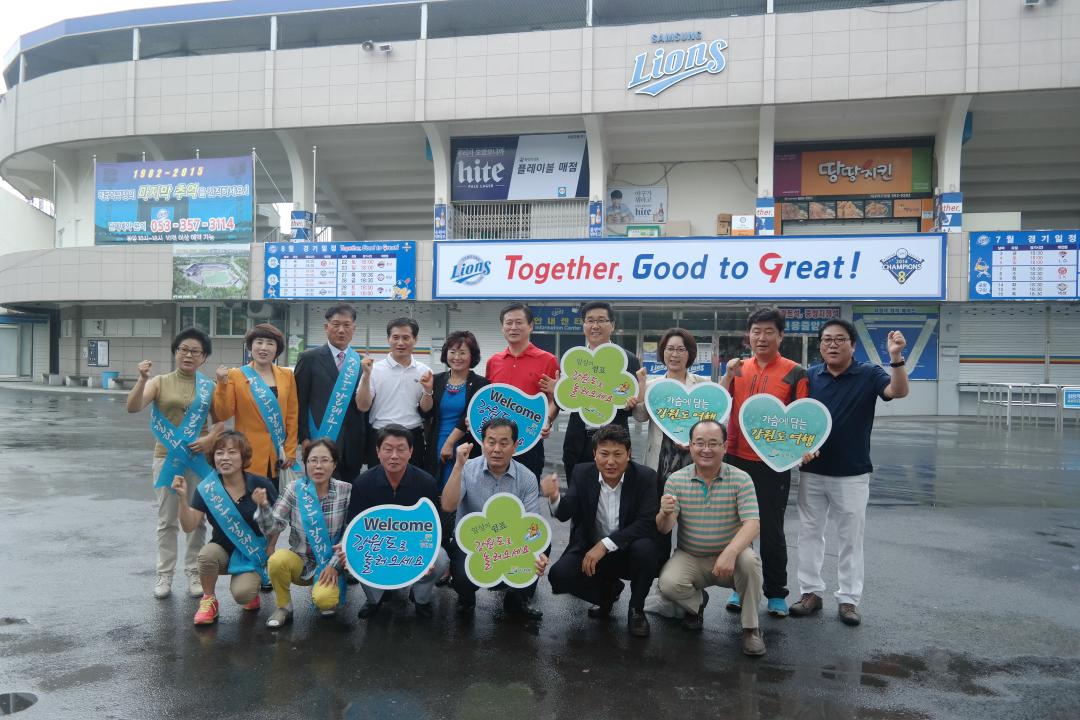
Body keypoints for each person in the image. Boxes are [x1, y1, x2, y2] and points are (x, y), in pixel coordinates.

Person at [789, 320, 909, 627]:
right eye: (827, 339)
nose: (832, 344)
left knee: (850, 539)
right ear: (820, 345)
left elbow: (898, 390)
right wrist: (796, 449)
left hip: (852, 473)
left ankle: (849, 599)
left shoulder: (869, 374)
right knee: (809, 535)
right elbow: (794, 418)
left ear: (852, 345)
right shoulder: (810, 375)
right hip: (812, 471)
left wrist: (896, 357)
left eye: (840, 339)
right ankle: (810, 593)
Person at [720, 307, 809, 618]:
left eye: (768, 331)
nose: (761, 337)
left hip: (773, 463)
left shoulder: (795, 371)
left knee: (771, 529)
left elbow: (801, 419)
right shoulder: (738, 368)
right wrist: (727, 374)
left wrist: (804, 447)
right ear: (749, 336)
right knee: (737, 527)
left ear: (780, 335)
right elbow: (721, 403)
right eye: (756, 332)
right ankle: (740, 586)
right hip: (734, 457)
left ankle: (775, 592)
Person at [126, 327, 222, 600]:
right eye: (183, 349)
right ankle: (164, 574)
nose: (188, 355)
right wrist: (141, 379)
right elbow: (133, 407)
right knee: (167, 519)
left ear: (204, 357)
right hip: (166, 458)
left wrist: (210, 440)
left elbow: (221, 422)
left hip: (198, 460)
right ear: (175, 352)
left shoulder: (208, 386)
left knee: (197, 519)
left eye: (195, 351)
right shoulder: (159, 381)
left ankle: (193, 572)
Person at [656, 420, 766, 656]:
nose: (706, 449)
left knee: (750, 562)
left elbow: (753, 524)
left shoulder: (741, 479)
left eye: (713, 443)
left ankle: (751, 629)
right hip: (691, 556)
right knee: (668, 583)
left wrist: (730, 552)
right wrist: (664, 513)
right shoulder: (676, 480)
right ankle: (696, 605)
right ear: (691, 446)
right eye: (700, 443)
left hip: (730, 558)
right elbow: (665, 529)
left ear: (725, 447)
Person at [542, 424, 659, 637]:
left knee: (646, 549)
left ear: (629, 454)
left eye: (618, 454)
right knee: (559, 576)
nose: (611, 462)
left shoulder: (646, 477)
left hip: (628, 548)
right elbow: (565, 512)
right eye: (604, 454)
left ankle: (636, 610)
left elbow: (645, 523)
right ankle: (607, 593)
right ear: (594, 454)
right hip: (590, 546)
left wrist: (605, 545)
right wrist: (554, 497)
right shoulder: (582, 472)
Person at [441, 418, 548, 620]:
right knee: (463, 578)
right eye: (491, 442)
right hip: (471, 544)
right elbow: (447, 505)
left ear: (515, 446)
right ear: (482, 443)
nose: (496, 449)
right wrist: (457, 467)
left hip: (510, 544)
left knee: (544, 543)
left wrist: (537, 552)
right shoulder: (467, 468)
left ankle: (518, 597)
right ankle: (466, 599)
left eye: (504, 443)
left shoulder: (527, 477)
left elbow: (533, 525)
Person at [343, 425, 451, 620]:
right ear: (377, 451)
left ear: (410, 452)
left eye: (401, 449)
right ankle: (375, 598)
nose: (394, 455)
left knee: (441, 558)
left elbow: (435, 527)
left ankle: (421, 599)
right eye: (387, 449)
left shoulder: (426, 482)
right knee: (354, 555)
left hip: (414, 548)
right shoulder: (363, 483)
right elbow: (354, 527)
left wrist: (427, 555)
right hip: (377, 547)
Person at [173, 431, 278, 625]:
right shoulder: (208, 489)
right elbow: (189, 526)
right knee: (206, 555)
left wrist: (271, 546)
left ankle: (251, 588)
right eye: (220, 453)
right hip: (222, 549)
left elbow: (277, 525)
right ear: (213, 458)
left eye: (232, 452)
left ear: (243, 456)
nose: (225, 458)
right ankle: (209, 600)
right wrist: (181, 498)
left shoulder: (261, 484)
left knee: (243, 596)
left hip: (251, 553)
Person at [257, 438, 352, 629]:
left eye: (325, 460)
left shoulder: (346, 490)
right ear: (306, 464)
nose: (318, 466)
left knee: (325, 601)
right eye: (312, 460)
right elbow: (272, 527)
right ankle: (284, 607)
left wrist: (334, 565)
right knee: (277, 560)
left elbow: (350, 533)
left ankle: (327, 591)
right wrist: (263, 507)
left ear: (334, 465)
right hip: (302, 560)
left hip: (332, 563)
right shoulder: (294, 489)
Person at [556, 301, 641, 478]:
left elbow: (631, 405)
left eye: (601, 320)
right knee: (578, 497)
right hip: (578, 440)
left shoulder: (628, 360)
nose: (595, 326)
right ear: (583, 325)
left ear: (612, 325)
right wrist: (556, 391)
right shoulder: (573, 359)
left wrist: (631, 404)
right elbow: (565, 402)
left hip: (614, 444)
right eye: (590, 320)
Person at [212, 323, 298, 489]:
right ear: (250, 346)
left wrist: (291, 450)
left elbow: (292, 416)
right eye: (259, 342)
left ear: (277, 349)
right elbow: (223, 414)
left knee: (276, 505)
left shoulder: (287, 375)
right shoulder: (235, 375)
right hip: (248, 453)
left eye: (270, 343)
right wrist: (221, 384)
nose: (264, 348)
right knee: (249, 505)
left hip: (278, 454)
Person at [484, 303, 559, 481]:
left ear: (530, 326)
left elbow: (554, 400)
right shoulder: (493, 361)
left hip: (529, 441)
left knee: (527, 495)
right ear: (502, 327)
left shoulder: (547, 360)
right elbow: (487, 399)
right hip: (497, 444)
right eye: (508, 323)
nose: (513, 327)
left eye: (519, 322)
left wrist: (547, 420)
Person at [294, 304, 367, 484]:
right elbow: (299, 402)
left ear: (354, 329)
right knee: (318, 490)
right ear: (326, 327)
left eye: (347, 325)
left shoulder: (359, 361)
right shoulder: (308, 358)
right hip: (320, 438)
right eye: (336, 324)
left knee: (350, 493)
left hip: (352, 443)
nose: (341, 330)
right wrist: (303, 438)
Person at [356, 317, 431, 469]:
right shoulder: (374, 370)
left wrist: (428, 391)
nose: (400, 343)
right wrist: (365, 376)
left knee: (411, 487)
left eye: (406, 337)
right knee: (378, 486)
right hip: (381, 435)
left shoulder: (424, 371)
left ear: (415, 340)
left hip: (412, 435)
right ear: (388, 339)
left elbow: (427, 409)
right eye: (395, 337)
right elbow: (363, 406)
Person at [419, 330, 488, 488]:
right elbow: (425, 412)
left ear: (472, 356)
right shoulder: (436, 379)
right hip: (435, 444)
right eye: (453, 352)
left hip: (464, 446)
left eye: (463, 352)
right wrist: (427, 390)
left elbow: (469, 416)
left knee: (460, 491)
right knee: (434, 490)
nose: (457, 357)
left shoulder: (480, 384)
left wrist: (450, 443)